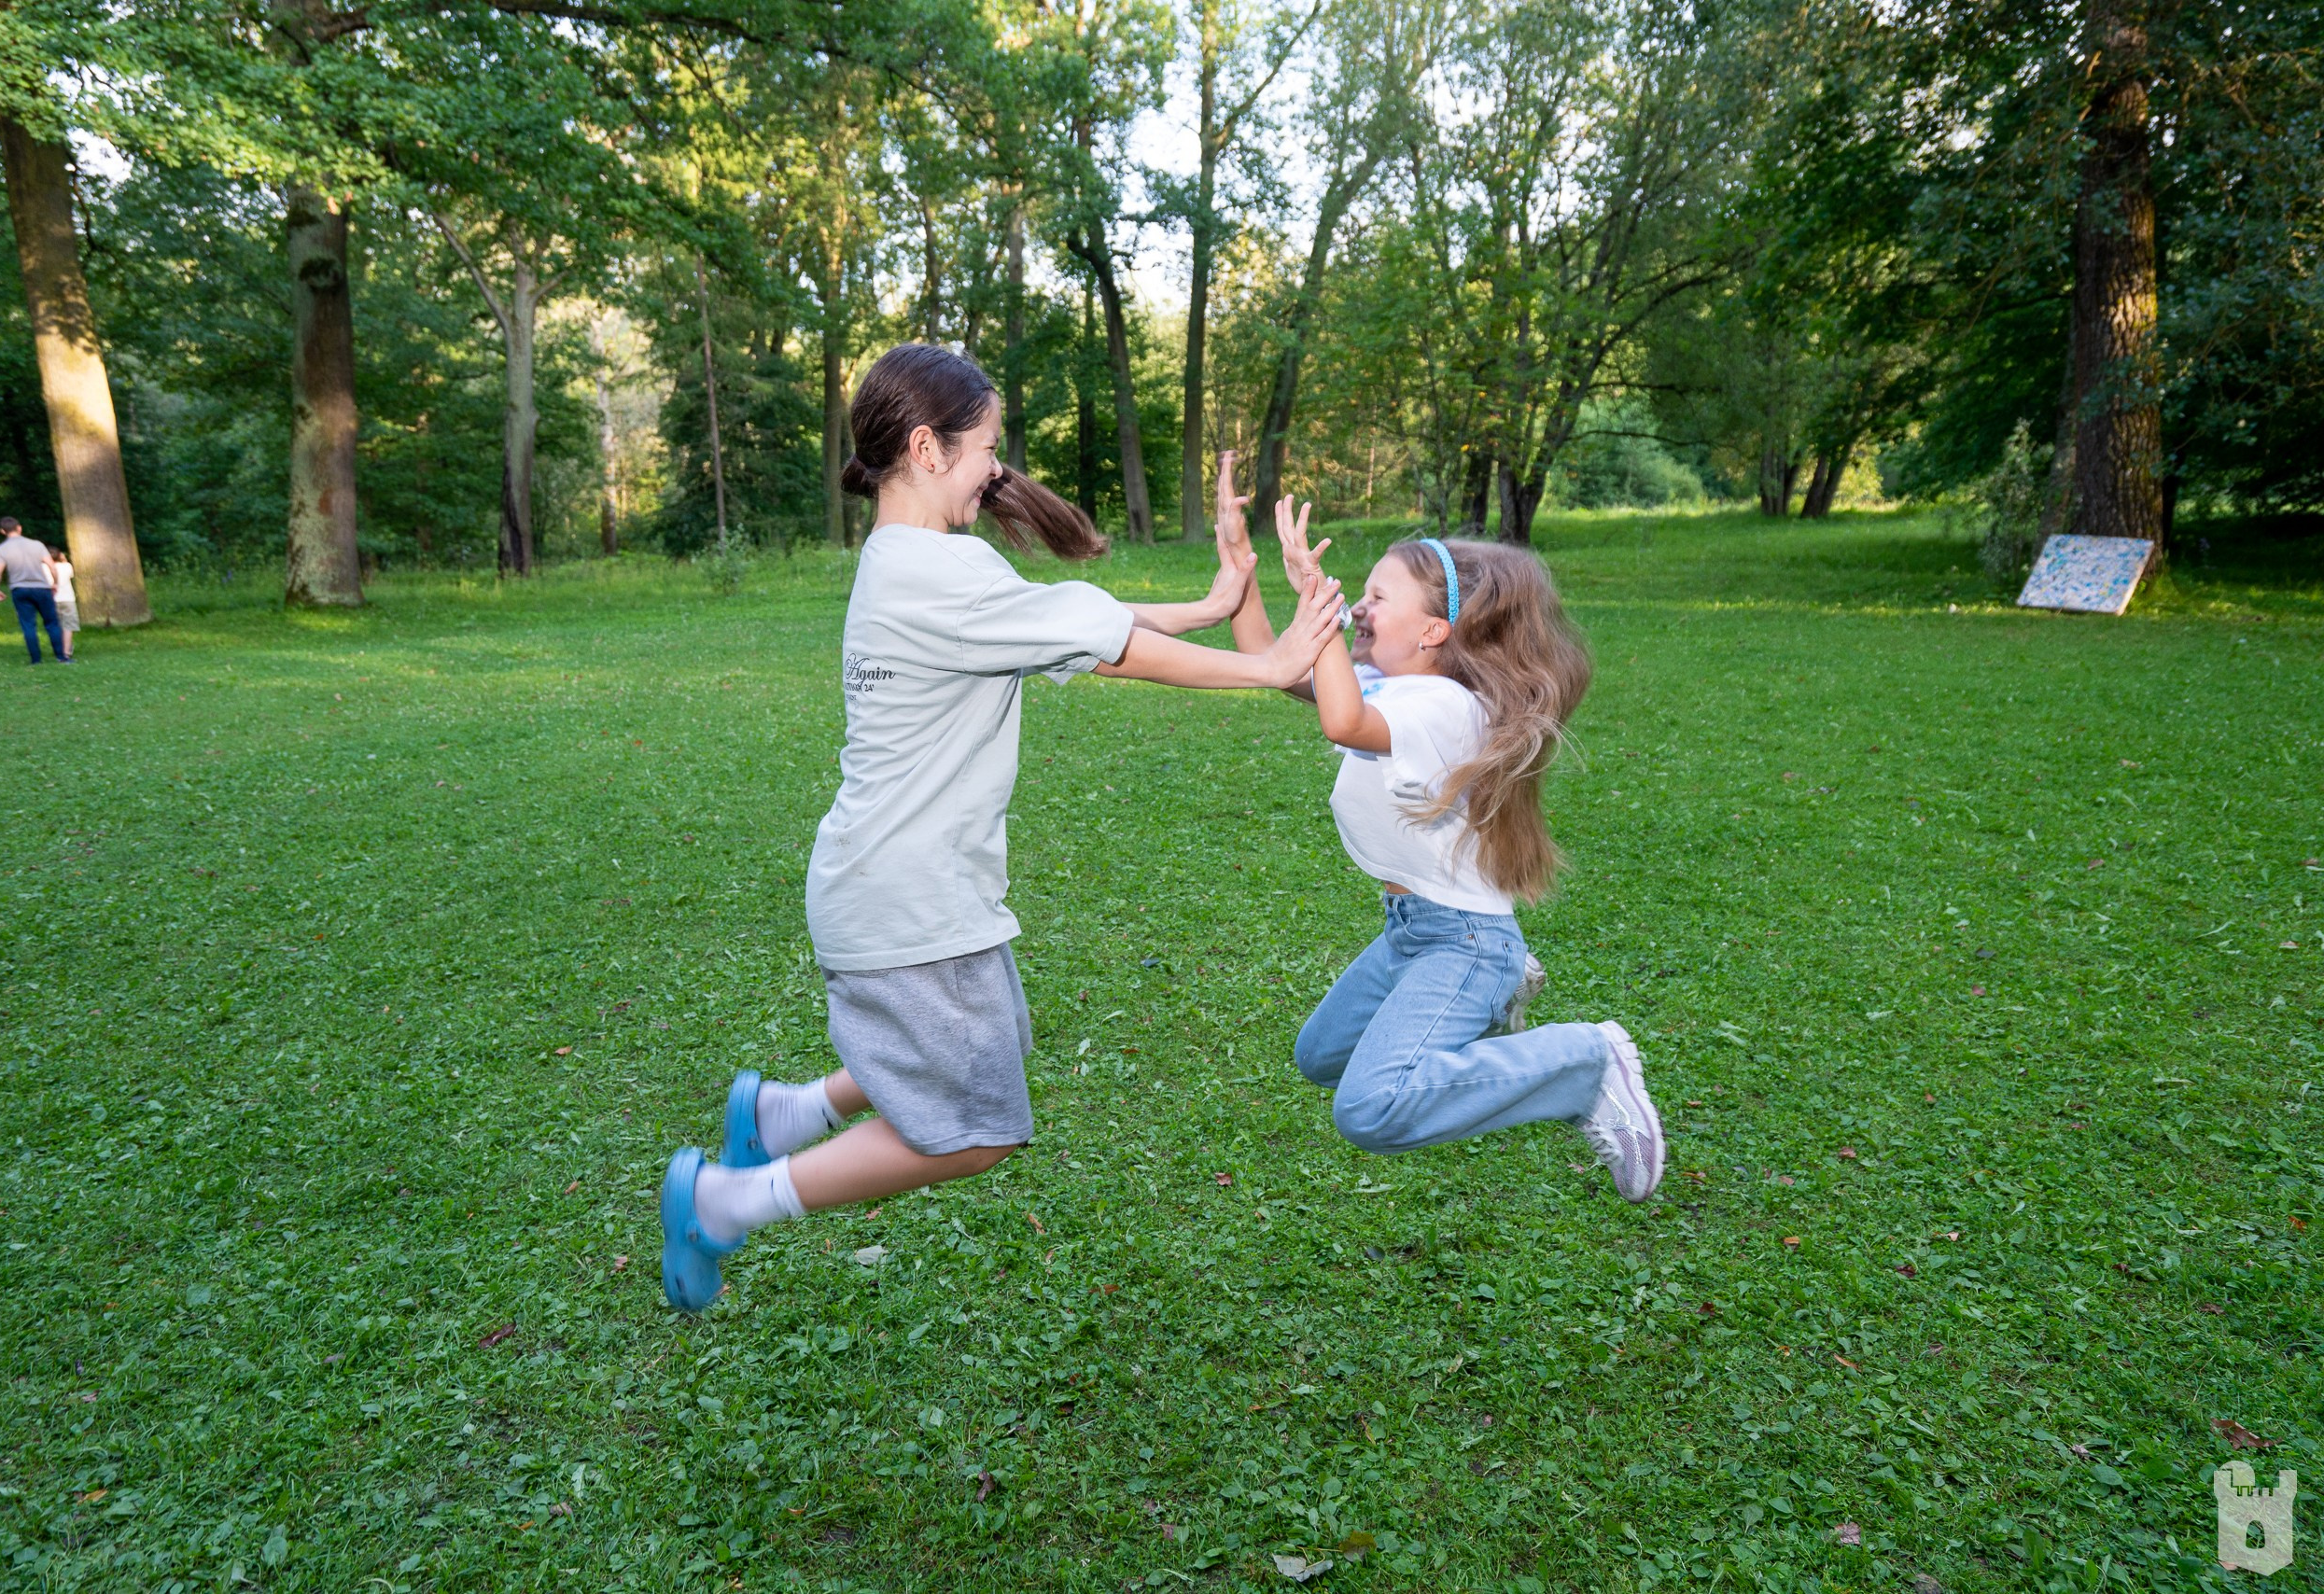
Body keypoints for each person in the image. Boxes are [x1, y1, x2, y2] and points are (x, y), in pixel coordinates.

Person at [659, 343, 1345, 1313]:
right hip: (905, 900)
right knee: (976, 1130)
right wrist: (1265, 668)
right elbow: (1100, 644)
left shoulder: (920, 563)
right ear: (929, 449)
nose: (998, 469)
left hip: (908, 889)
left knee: (988, 1046)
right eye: (987, 448)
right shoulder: (931, 573)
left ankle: (785, 1111)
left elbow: (1060, 617)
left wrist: (1208, 606)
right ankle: (727, 1200)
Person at [1216, 462, 1665, 1202]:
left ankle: (1585, 1060)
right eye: (1355, 595)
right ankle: (1496, 997)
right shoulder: (1399, 687)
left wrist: (1317, 601)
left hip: (1462, 938)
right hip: (1413, 931)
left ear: (1434, 629)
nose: (1357, 607)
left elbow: (1341, 720)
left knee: (1371, 1106)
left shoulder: (1445, 707)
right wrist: (1239, 562)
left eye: (1374, 597)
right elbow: (1272, 664)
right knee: (1322, 1055)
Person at [0, 517, 68, 665]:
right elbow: (52, 567)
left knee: (28, 625)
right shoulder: (37, 545)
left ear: (2, 531)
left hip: (20, 590)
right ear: (19, 528)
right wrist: (55, 583)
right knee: (52, 623)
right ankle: (61, 657)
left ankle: (36, 660)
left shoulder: (0, 550)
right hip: (42, 588)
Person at [45, 542, 79, 661]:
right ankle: (66, 651)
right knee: (68, 626)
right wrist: (63, 560)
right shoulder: (67, 566)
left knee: (55, 625)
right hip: (67, 599)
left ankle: (58, 650)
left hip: (51, 599)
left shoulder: (42, 567)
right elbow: (71, 575)